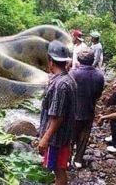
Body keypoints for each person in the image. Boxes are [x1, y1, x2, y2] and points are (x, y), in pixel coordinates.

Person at [37, 40, 77, 185]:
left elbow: (57, 117)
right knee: (59, 169)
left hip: (57, 139)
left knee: (58, 170)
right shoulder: (68, 79)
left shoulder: (60, 85)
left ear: (51, 61)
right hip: (64, 136)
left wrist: (45, 139)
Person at [69, 49, 104, 168]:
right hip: (89, 110)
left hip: (73, 111)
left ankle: (67, 159)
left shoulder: (73, 73)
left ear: (79, 60)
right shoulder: (99, 75)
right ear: (92, 60)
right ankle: (78, 160)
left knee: (70, 136)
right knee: (84, 136)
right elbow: (98, 94)